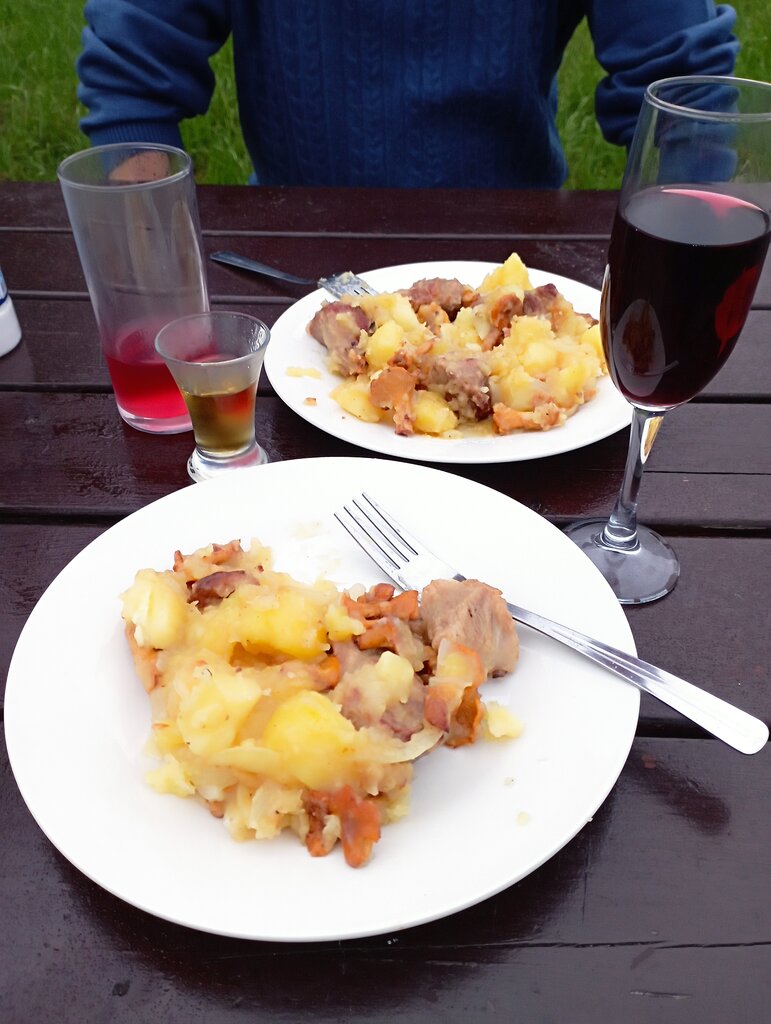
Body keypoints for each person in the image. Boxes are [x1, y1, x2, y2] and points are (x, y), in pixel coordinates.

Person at [76, 0, 740, 189]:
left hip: (516, 260)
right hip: (291, 261)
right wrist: (157, 287)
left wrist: (665, 298)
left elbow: (690, 95)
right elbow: (131, 77)